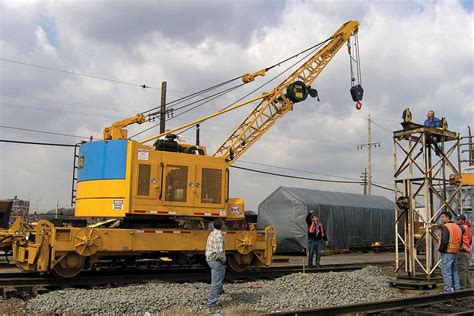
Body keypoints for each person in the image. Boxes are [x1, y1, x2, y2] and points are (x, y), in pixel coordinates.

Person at [438, 211, 463, 292]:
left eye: (442, 217)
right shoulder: (457, 227)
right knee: (454, 271)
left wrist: (441, 249)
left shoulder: (446, 227)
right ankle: (457, 288)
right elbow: (461, 240)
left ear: (447, 218)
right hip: (455, 252)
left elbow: (444, 241)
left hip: (447, 252)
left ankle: (448, 290)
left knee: (446, 272)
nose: (441, 219)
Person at [205, 218, 226, 308]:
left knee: (222, 270)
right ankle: (211, 303)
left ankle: (220, 290)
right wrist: (223, 259)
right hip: (215, 259)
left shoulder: (212, 233)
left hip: (210, 258)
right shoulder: (219, 236)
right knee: (216, 282)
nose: (224, 225)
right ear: (221, 226)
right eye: (223, 224)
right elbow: (219, 251)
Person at [456, 214, 472, 289]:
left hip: (462, 251)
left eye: (458, 220)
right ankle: (469, 286)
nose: (457, 221)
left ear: (463, 220)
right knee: (466, 270)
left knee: (461, 270)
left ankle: (462, 287)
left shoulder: (462, 227)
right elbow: (470, 240)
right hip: (467, 251)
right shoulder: (468, 228)